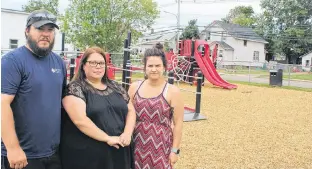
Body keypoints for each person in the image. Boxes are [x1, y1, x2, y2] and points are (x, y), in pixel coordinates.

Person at [1, 9, 65, 169]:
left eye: (50, 30)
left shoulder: (58, 63)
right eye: (39, 29)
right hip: (22, 157)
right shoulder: (12, 61)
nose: (45, 34)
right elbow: (2, 104)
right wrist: (13, 148)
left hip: (53, 154)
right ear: (27, 31)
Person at [60, 46, 136, 169]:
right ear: (84, 65)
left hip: (119, 150)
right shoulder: (75, 88)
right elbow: (80, 120)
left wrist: (127, 133)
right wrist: (107, 138)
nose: (98, 66)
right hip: (89, 155)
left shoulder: (115, 86)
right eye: (93, 62)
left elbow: (131, 111)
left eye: (101, 63)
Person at [128, 43, 184, 169]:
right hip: (136, 144)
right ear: (145, 68)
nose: (154, 69)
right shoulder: (134, 88)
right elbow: (126, 115)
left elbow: (178, 123)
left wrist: (175, 151)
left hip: (161, 147)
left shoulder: (172, 91)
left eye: (158, 65)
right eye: (150, 66)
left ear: (164, 67)